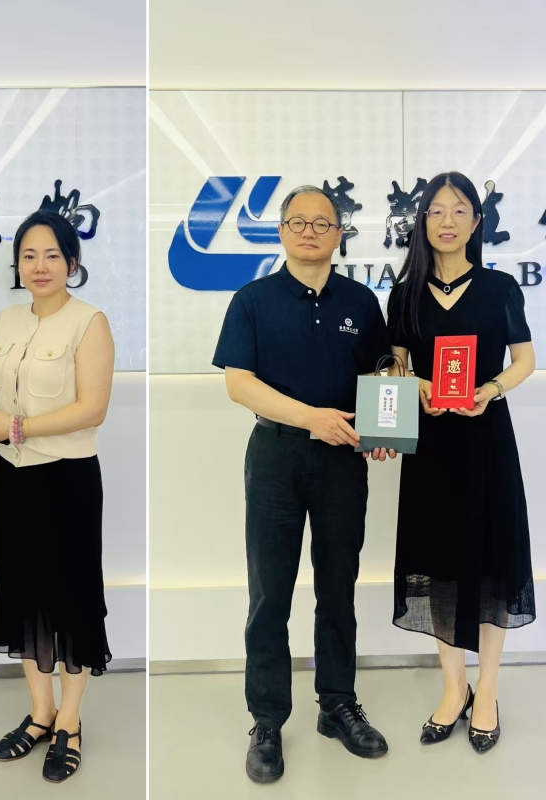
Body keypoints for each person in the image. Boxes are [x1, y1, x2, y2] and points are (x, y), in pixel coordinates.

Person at [213, 185, 393, 784]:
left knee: (338, 585)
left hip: (343, 460)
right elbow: (239, 383)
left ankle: (337, 704)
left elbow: (381, 378)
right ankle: (267, 721)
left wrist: (383, 431)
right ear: (281, 231)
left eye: (322, 223)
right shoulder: (253, 299)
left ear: (339, 233)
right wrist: (310, 417)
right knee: (270, 592)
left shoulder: (361, 302)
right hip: (275, 456)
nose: (310, 231)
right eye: (298, 222)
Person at [0, 209, 114, 783]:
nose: (39, 265)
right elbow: (1, 392)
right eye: (28, 255)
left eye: (51, 255)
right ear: (18, 265)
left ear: (72, 262)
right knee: (23, 591)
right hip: (12, 477)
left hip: (65, 480)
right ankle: (40, 713)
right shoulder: (9, 319)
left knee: (71, 597)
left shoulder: (89, 322)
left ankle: (71, 721)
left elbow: (92, 409)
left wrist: (16, 427)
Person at [387, 172, 536, 753]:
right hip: (430, 446)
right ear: (422, 222)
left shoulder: (500, 288)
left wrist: (490, 389)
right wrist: (417, 384)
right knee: (437, 559)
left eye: (459, 210)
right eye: (436, 211)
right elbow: (393, 366)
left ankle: (488, 689)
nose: (447, 221)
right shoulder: (405, 293)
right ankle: (454, 687)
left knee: (493, 559)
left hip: (486, 440)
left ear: (477, 221)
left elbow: (524, 360)